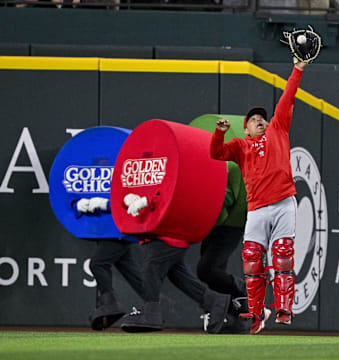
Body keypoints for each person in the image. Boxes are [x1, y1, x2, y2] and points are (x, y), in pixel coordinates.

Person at [210, 59, 307, 334]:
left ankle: (284, 307)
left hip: (284, 201)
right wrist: (219, 133)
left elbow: (288, 98)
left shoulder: (278, 128)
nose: (259, 121)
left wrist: (297, 69)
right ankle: (255, 314)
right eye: (253, 120)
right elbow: (215, 154)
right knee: (252, 258)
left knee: (282, 254)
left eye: (261, 118)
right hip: (257, 208)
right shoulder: (240, 145)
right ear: (246, 129)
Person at [118, 193, 232, 334]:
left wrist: (147, 199)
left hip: (170, 230)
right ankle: (215, 301)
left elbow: (172, 189)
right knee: (177, 274)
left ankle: (151, 313)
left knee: (152, 267)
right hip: (165, 230)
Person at [73, 197, 145, 331]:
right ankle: (157, 302)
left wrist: (105, 203)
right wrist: (76, 204)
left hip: (118, 229)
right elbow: (68, 196)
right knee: (131, 272)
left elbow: (131, 198)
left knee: (97, 264)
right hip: (105, 229)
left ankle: (111, 304)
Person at [196, 164, 250, 334]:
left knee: (206, 270)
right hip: (213, 221)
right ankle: (229, 319)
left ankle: (240, 289)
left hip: (232, 223)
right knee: (213, 271)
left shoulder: (233, 164)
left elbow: (227, 197)